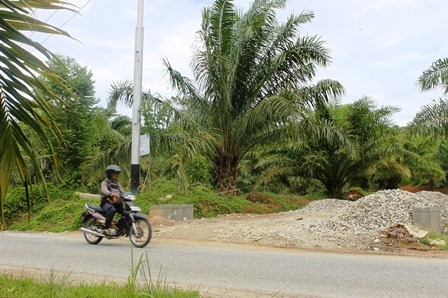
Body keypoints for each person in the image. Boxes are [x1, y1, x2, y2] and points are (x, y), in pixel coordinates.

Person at [100, 164, 125, 235]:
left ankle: (119, 227)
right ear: (110, 173)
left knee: (125, 212)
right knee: (112, 210)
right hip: (106, 202)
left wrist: (128, 195)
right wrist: (111, 193)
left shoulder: (117, 184)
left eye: (117, 173)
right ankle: (105, 228)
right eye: (114, 173)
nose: (116, 175)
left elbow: (122, 191)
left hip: (116, 202)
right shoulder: (105, 182)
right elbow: (104, 190)